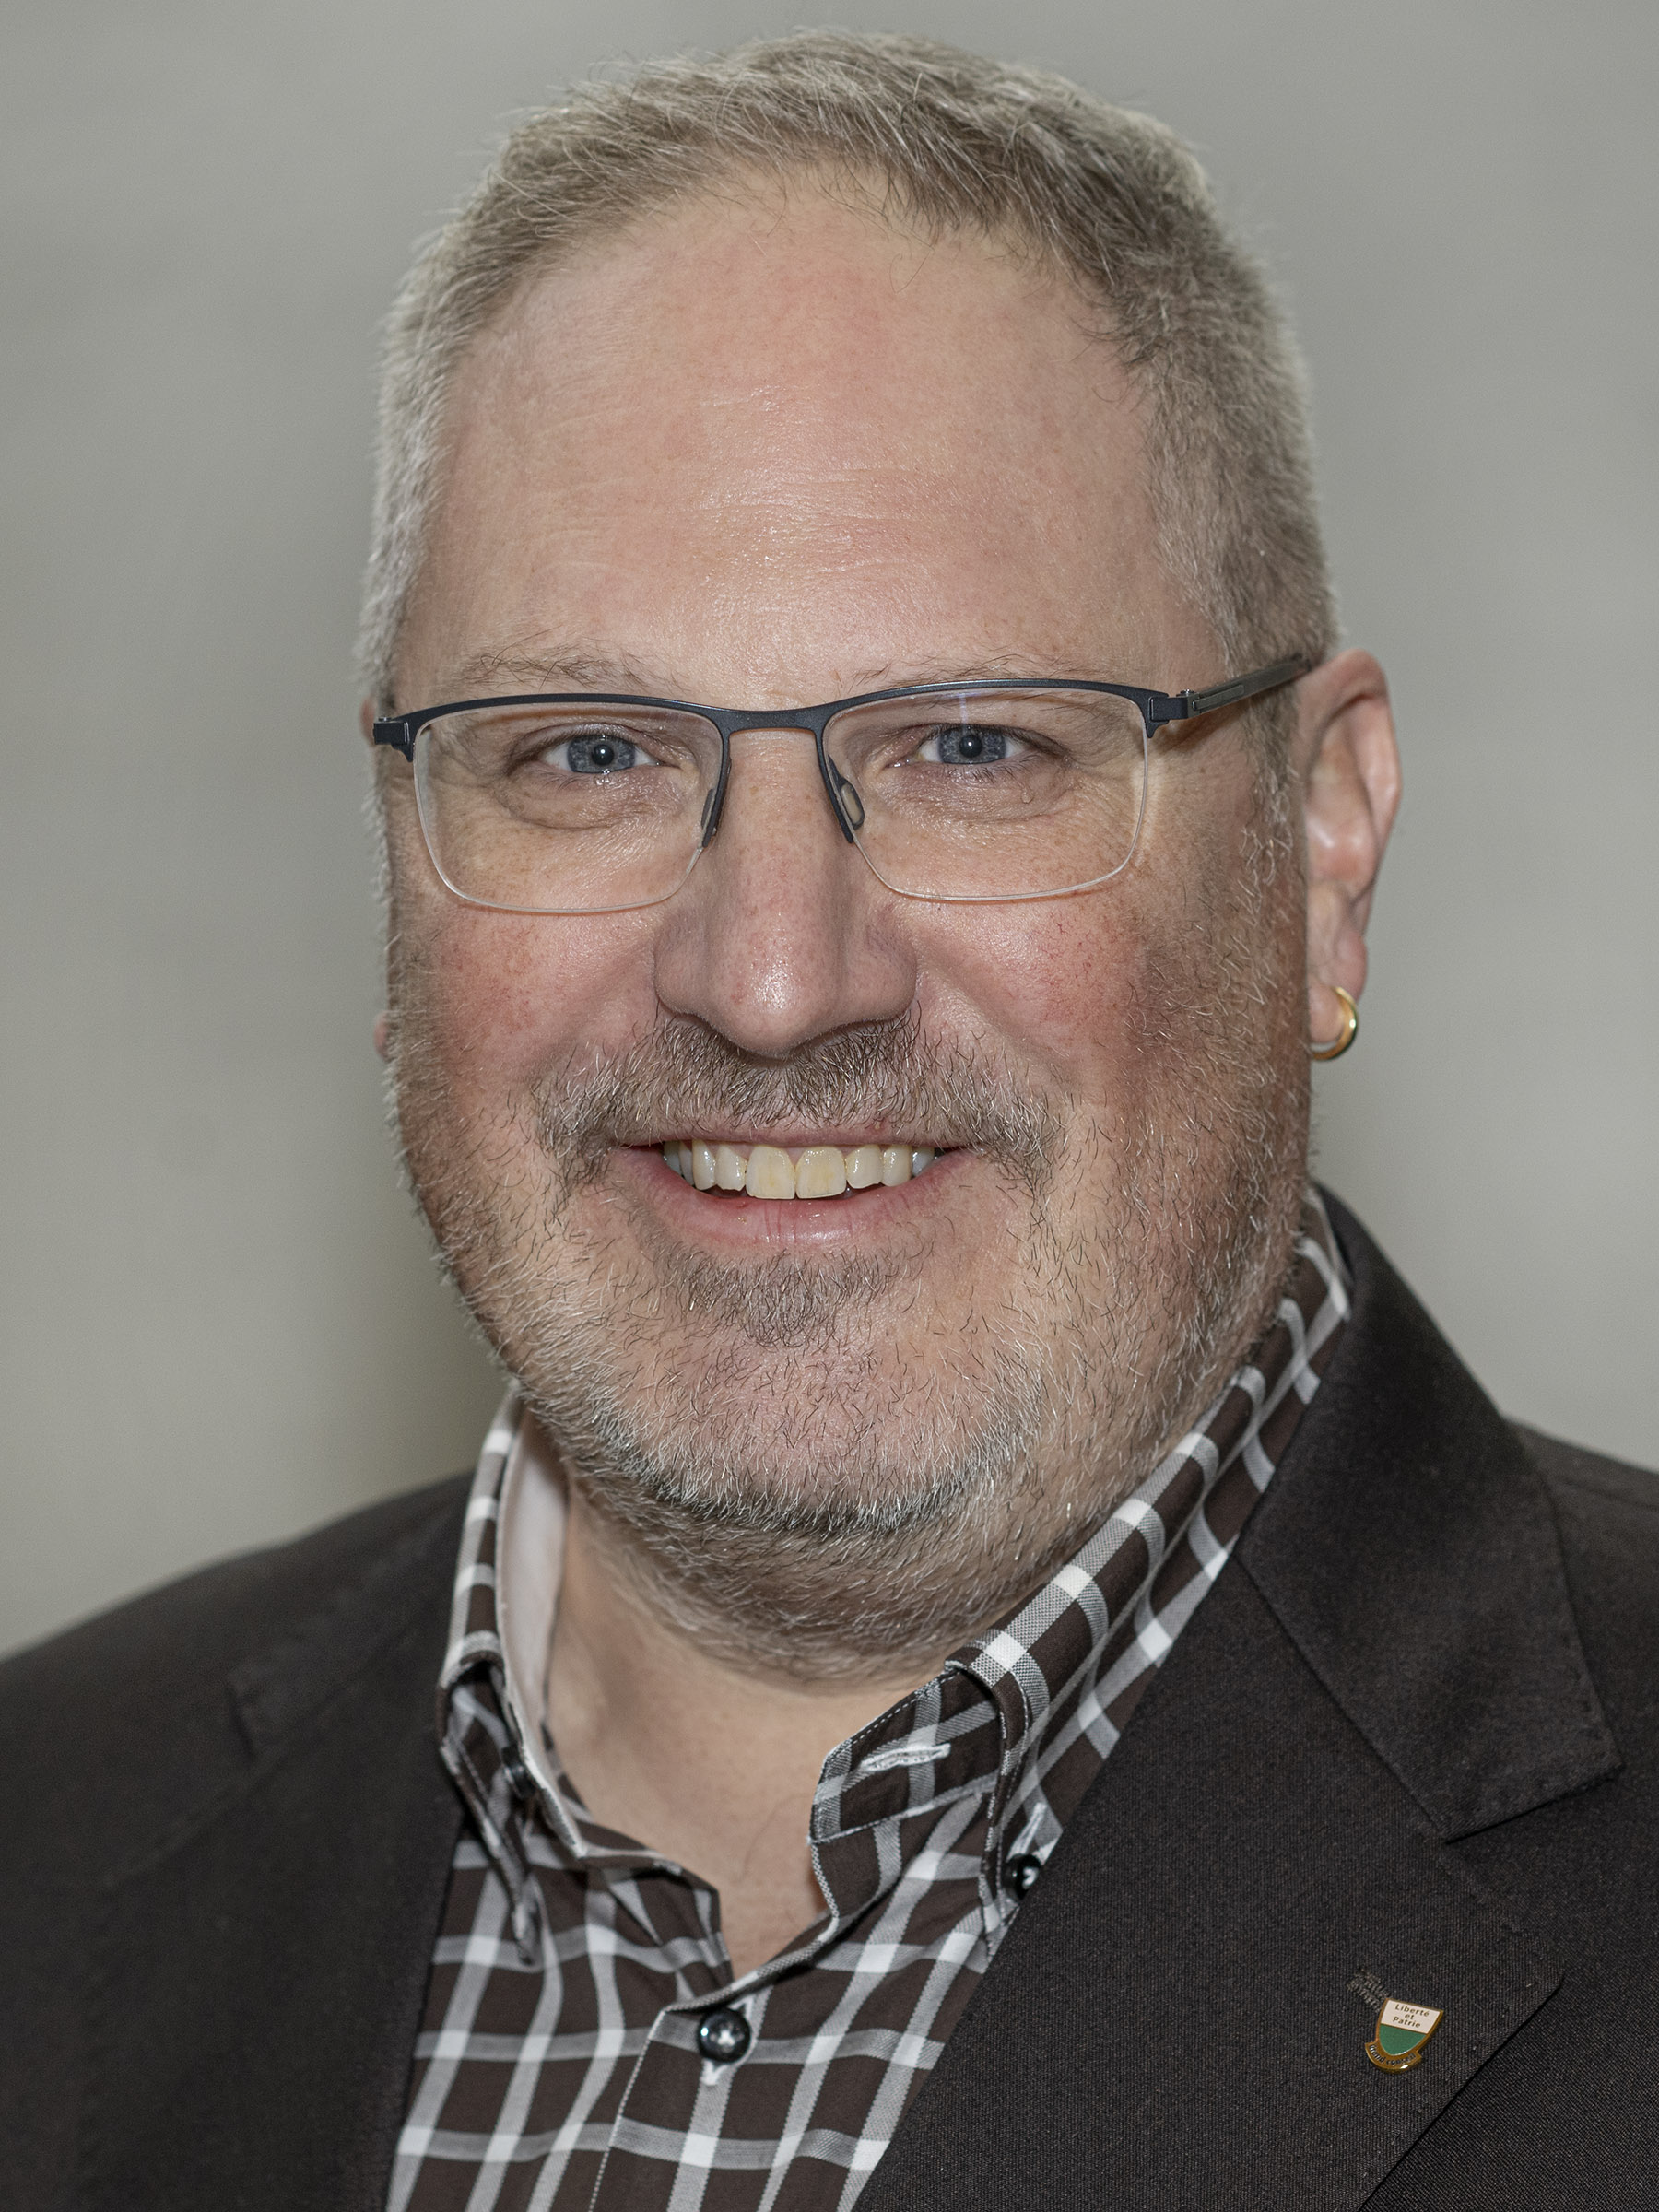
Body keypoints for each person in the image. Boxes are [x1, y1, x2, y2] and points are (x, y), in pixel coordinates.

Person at [2, 30, 1654, 2211]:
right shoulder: (45, 1836)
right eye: (584, 752)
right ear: (399, 848)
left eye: (977, 746)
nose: (773, 981)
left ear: (1321, 850)